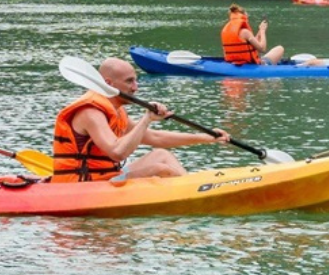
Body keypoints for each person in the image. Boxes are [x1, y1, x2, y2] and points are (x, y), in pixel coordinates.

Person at [51, 57, 229, 182]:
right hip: (83, 183)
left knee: (161, 155)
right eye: (129, 81)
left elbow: (154, 138)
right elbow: (117, 152)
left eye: (136, 81)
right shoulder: (90, 112)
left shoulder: (116, 110)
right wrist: (147, 119)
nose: (136, 87)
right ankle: (192, 192)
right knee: (159, 169)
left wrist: (206, 137)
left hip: (107, 176)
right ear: (109, 84)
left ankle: (190, 187)